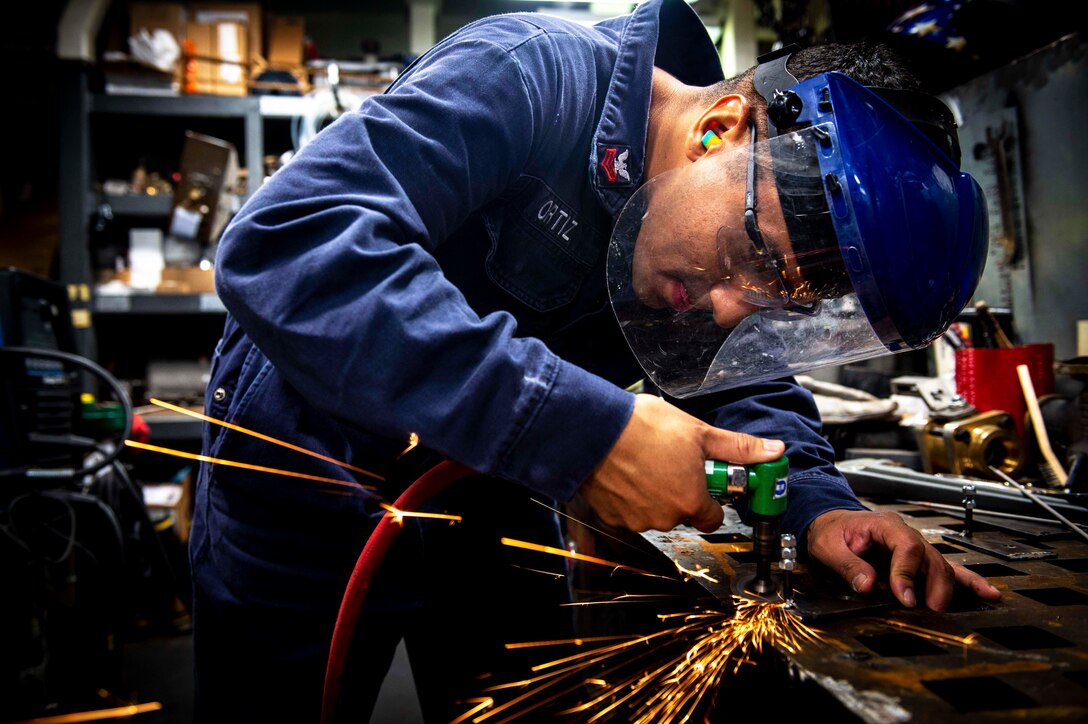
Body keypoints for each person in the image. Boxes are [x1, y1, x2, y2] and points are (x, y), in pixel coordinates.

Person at [190, 0, 1001, 720]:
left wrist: (817, 507)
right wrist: (587, 436)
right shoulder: (530, 73)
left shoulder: (708, 225)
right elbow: (291, 242)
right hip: (306, 480)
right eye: (746, 253)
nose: (729, 305)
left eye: (771, 294)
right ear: (720, 127)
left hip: (489, 495)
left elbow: (749, 391)